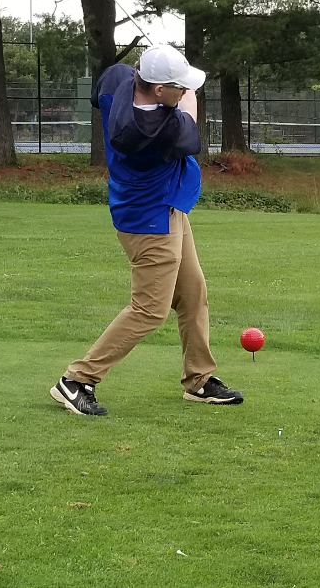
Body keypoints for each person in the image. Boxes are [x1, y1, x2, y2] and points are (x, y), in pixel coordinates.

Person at [50, 45, 243, 416]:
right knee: (150, 309)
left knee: (192, 293)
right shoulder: (154, 130)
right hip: (150, 221)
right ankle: (77, 379)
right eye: (178, 86)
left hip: (166, 209)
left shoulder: (118, 79)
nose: (183, 91)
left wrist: (168, 65)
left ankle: (199, 379)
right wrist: (187, 89)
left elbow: (104, 86)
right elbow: (190, 122)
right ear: (158, 89)